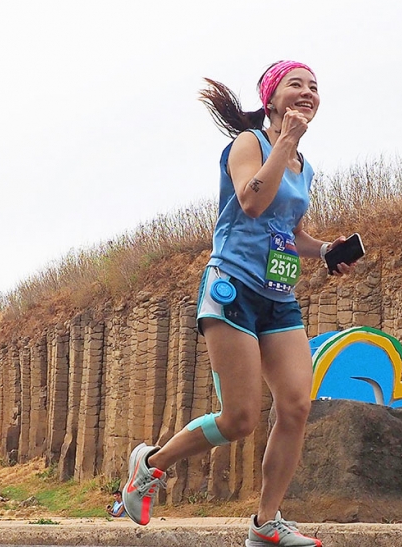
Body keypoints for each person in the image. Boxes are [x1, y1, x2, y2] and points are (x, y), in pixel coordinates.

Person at [122, 61, 359, 547]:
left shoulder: (304, 166)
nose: (308, 92)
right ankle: (150, 466)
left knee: (295, 406)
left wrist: (325, 250)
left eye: (315, 87)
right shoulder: (249, 145)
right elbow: (251, 203)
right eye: (296, 84)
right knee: (240, 419)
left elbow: (288, 231)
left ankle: (265, 524)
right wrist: (286, 142)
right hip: (232, 288)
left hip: (279, 297)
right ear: (271, 98)